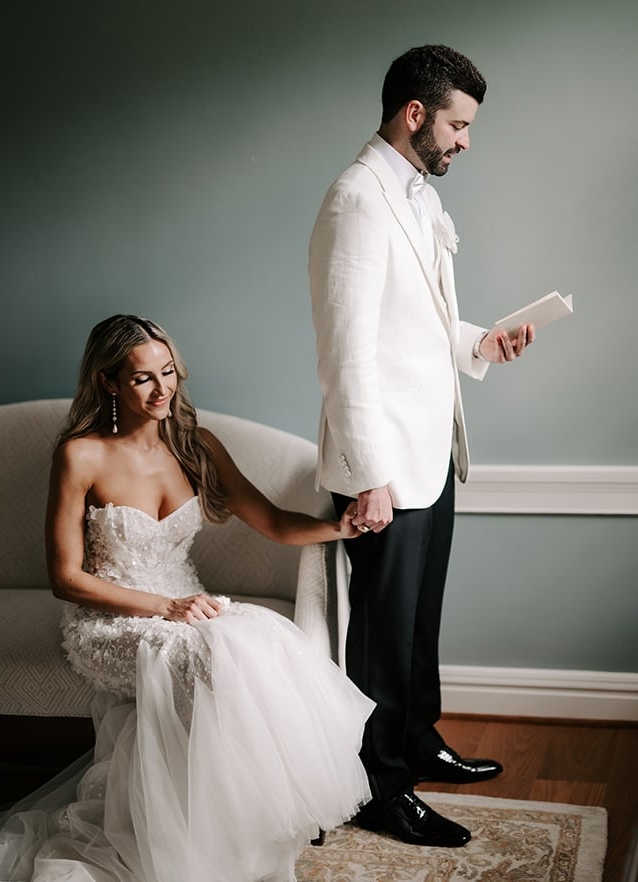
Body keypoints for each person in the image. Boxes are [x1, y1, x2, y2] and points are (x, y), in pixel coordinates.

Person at [0, 314, 374, 882]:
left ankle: (236, 839)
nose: (163, 389)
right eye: (142, 379)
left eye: (168, 372)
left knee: (261, 645)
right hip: (110, 616)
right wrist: (165, 608)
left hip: (189, 604)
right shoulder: (81, 454)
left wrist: (345, 527)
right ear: (109, 383)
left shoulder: (197, 447)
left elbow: (276, 523)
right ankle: (182, 845)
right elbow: (65, 577)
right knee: (203, 657)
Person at [308, 44, 535, 849]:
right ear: (416, 115)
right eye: (459, 124)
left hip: (428, 450)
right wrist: (368, 477)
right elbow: (348, 354)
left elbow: (419, 325)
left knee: (417, 622)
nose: (466, 141)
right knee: (381, 634)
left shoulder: (410, 194)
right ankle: (379, 787)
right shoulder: (357, 201)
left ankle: (418, 739)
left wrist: (482, 344)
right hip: (382, 466)